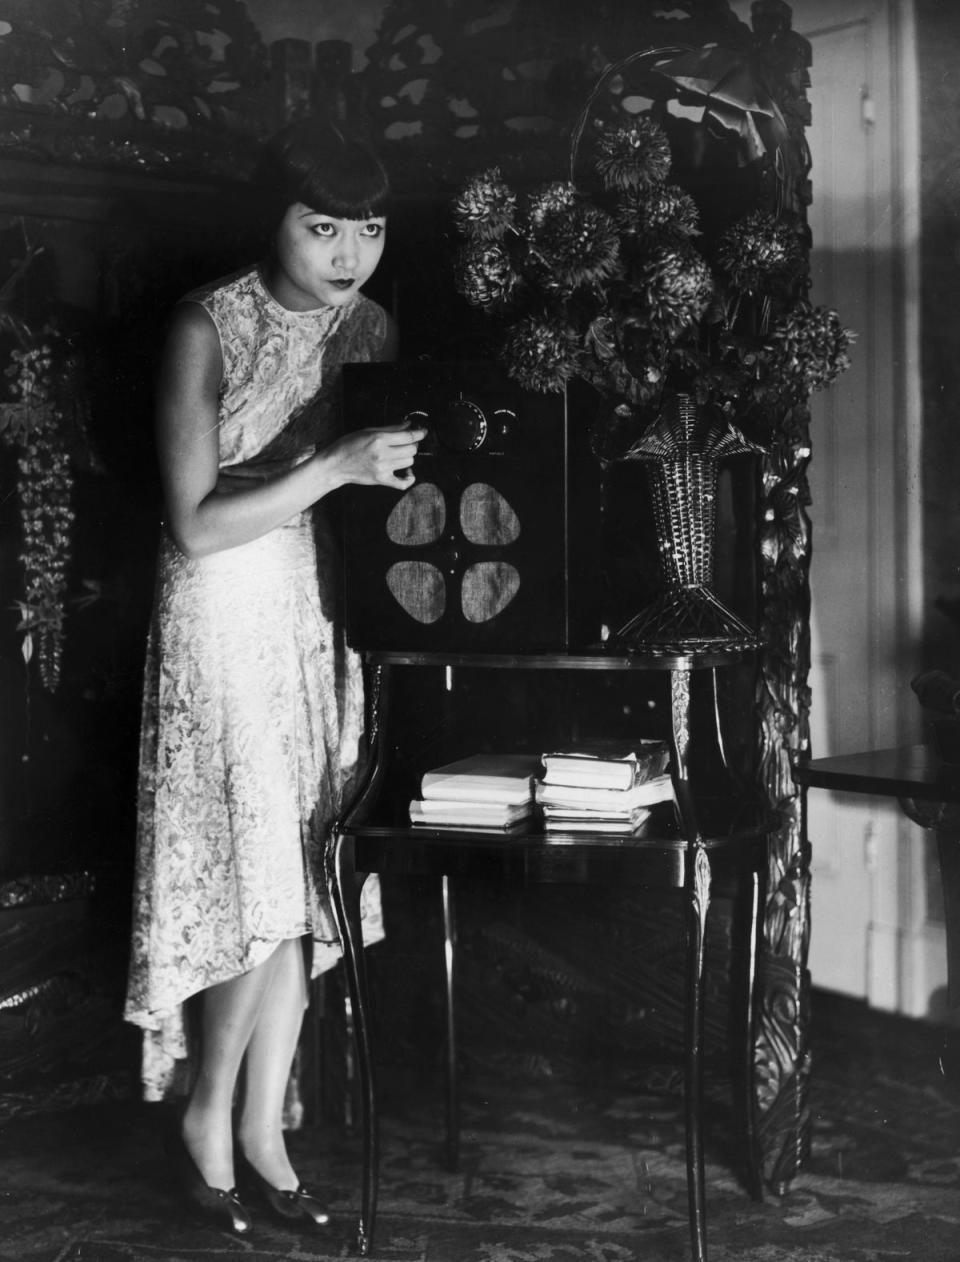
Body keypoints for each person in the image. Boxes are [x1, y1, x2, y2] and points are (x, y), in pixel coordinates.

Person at [123, 116, 425, 1235]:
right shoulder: (206, 323)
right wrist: (338, 463)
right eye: (322, 227)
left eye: (370, 231)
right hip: (220, 597)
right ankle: (210, 1114)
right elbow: (197, 525)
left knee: (304, 869)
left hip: (309, 596)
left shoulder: (375, 324)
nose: (349, 254)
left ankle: (264, 1132)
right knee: (252, 864)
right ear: (277, 222)